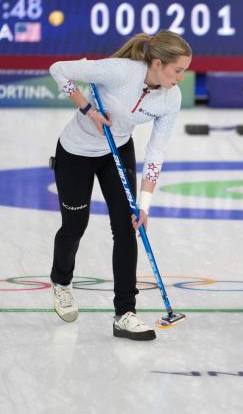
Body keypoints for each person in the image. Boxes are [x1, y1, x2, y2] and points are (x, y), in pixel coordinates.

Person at [48, 30, 192, 341]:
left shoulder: (171, 98)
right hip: (76, 151)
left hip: (117, 150)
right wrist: (89, 110)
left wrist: (145, 204)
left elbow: (156, 151)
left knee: (128, 227)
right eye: (177, 70)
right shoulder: (120, 71)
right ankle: (61, 282)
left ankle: (125, 313)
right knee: (75, 226)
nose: (181, 78)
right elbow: (58, 69)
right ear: (157, 63)